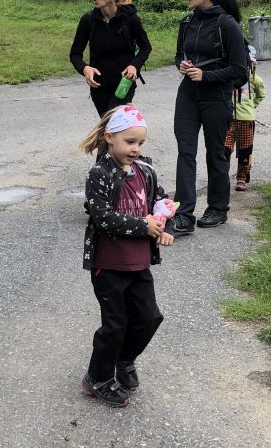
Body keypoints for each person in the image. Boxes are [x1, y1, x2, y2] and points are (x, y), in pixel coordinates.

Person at [78, 105, 175, 408]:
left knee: (149, 317)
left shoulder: (145, 171)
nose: (135, 149)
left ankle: (125, 360)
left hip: (139, 263)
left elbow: (161, 202)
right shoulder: (99, 174)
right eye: (129, 142)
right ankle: (98, 377)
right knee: (115, 324)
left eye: (140, 143)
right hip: (109, 266)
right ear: (109, 137)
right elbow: (103, 217)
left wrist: (163, 225)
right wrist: (142, 225)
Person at [173, 0, 249, 233]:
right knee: (185, 152)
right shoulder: (186, 21)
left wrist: (207, 75)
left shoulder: (227, 25)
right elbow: (178, 55)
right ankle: (183, 214)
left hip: (216, 97)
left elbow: (240, 70)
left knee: (215, 154)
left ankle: (218, 208)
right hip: (187, 95)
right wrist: (182, 65)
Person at [70, 0, 153, 118]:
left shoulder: (130, 19)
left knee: (112, 125)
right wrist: (85, 68)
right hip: (99, 87)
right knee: (109, 131)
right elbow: (75, 54)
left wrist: (134, 66)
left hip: (123, 85)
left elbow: (146, 47)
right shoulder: (88, 20)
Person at [227, 45, 266, 191]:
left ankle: (242, 178)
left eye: (249, 62)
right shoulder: (229, 76)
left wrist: (251, 108)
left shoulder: (255, 79)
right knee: (225, 149)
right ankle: (222, 177)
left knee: (245, 150)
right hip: (228, 118)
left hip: (247, 119)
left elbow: (261, 95)